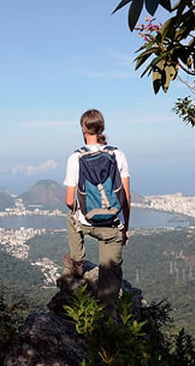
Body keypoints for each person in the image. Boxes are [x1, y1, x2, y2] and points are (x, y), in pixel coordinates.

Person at [63, 109, 131, 319]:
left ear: (83, 129)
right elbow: (126, 198)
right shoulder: (117, 155)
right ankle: (108, 319)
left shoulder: (76, 157)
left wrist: (82, 212)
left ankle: (77, 261)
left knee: (70, 218)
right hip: (112, 225)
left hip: (85, 222)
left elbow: (68, 200)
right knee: (110, 274)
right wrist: (125, 227)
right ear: (102, 128)